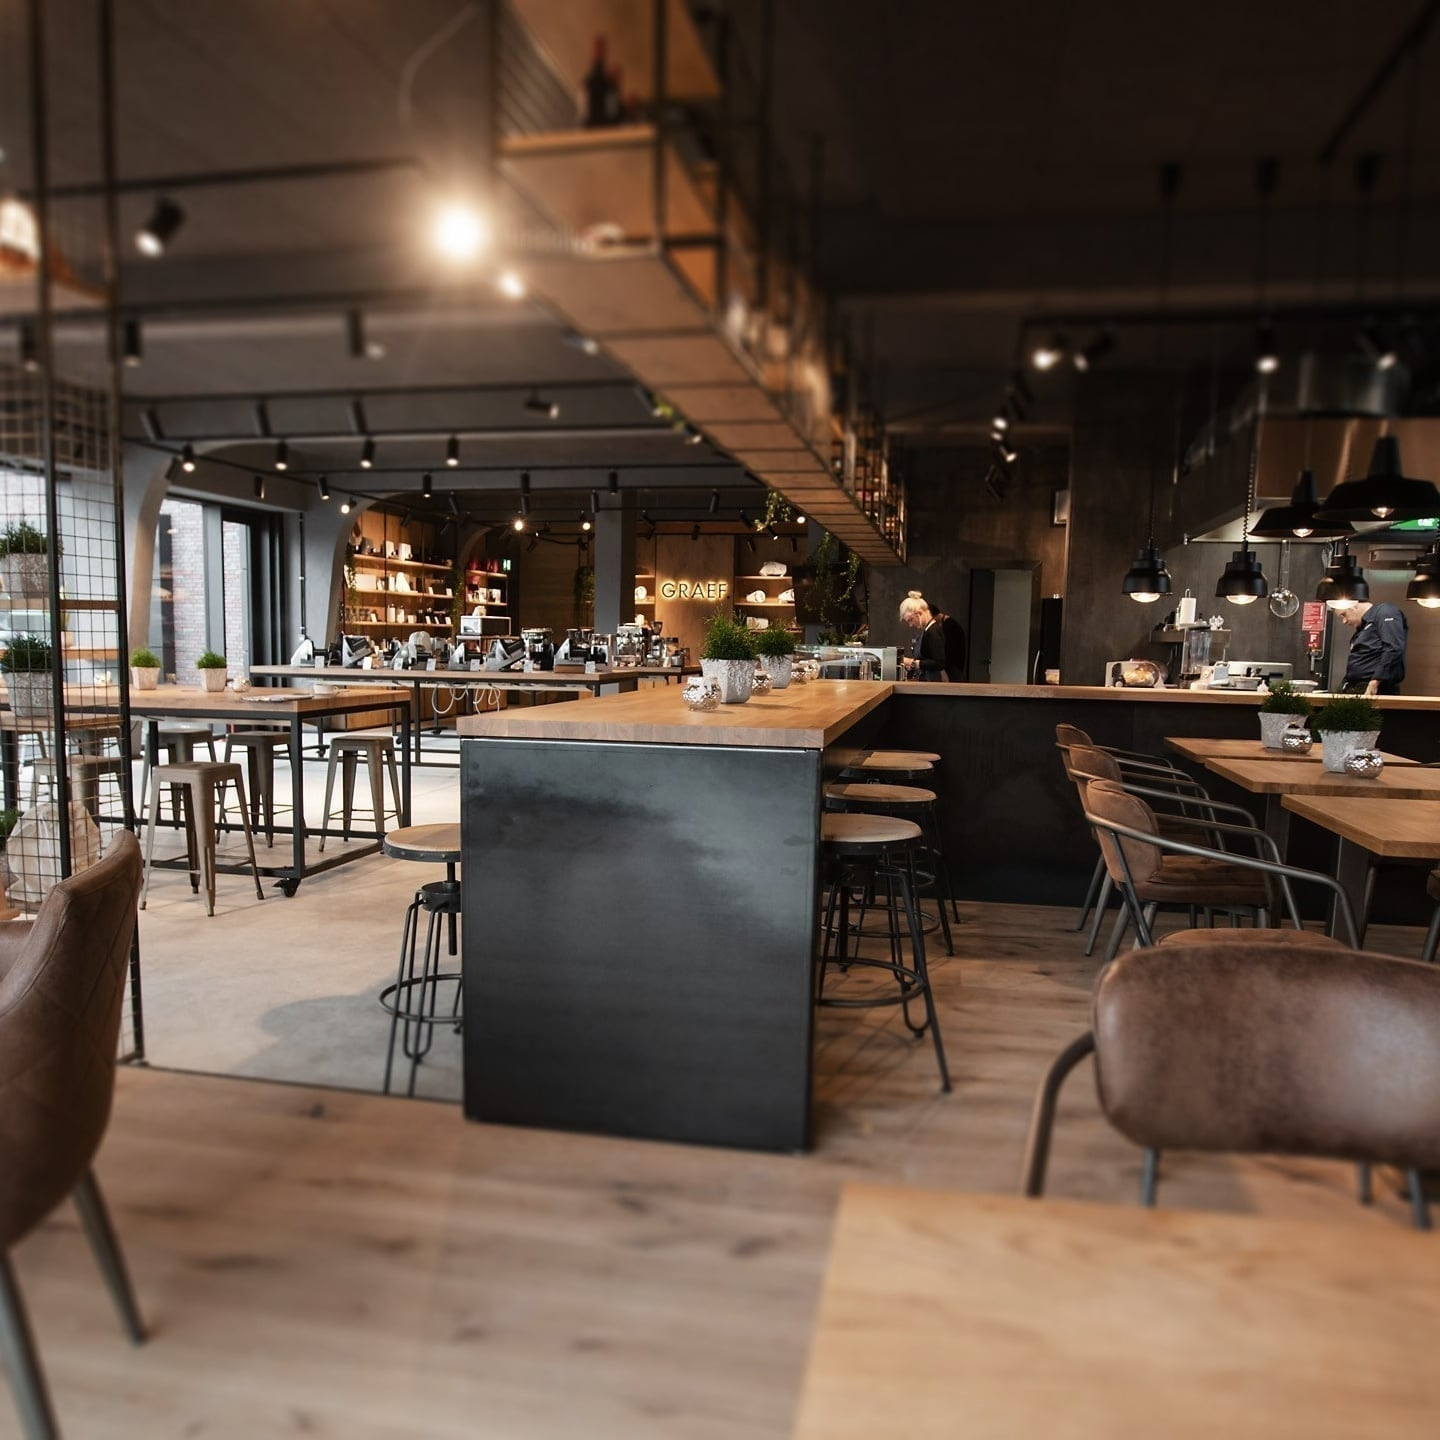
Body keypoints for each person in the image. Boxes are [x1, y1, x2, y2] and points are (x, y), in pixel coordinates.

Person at [1338, 599, 1407, 696]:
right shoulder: (1362, 627)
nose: (1344, 621)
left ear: (1355, 606)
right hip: (1354, 686)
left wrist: (1376, 681)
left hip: (1376, 687)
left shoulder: (1385, 612)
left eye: (1344, 615)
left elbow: (1393, 648)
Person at [898, 591, 966, 682]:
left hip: (934, 682)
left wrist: (912, 663)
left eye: (910, 620)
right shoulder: (928, 630)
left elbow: (939, 663)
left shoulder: (933, 631)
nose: (911, 625)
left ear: (919, 614)